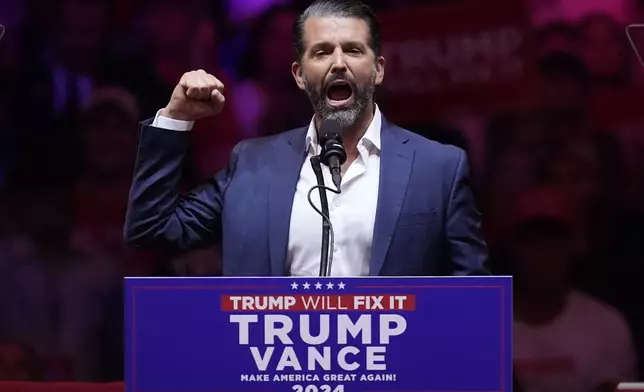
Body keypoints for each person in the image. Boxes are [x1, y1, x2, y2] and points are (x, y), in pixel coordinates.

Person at [124, 0, 488, 276]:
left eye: (354, 50)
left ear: (378, 70)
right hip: (273, 373)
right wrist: (174, 120)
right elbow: (152, 229)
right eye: (322, 52)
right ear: (299, 75)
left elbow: (474, 301)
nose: (338, 63)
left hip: (395, 372)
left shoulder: (438, 167)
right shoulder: (252, 164)